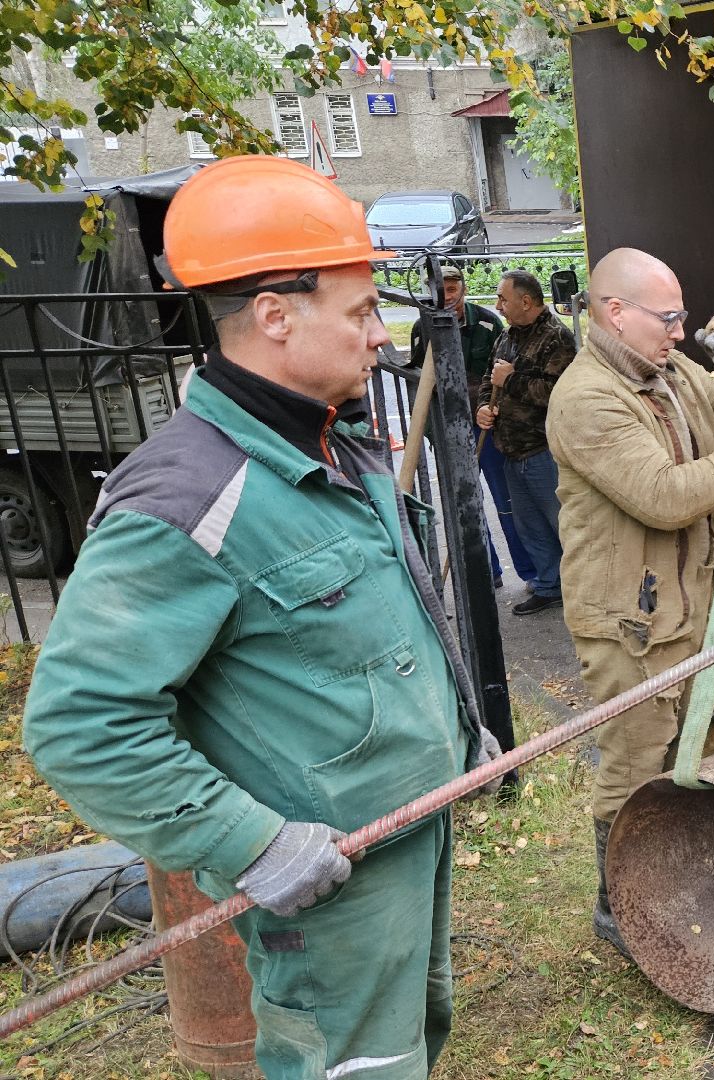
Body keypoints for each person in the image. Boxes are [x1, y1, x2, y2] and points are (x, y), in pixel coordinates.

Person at [22, 155, 498, 1078]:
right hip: (324, 882)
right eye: (361, 313)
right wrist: (251, 844)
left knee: (407, 1047)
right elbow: (81, 725)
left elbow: (375, 633)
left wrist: (456, 731)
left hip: (405, 837)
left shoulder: (329, 440)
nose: (379, 337)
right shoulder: (188, 497)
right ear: (276, 314)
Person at [546, 247, 714, 953]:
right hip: (630, 624)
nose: (679, 328)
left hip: (693, 608)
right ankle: (618, 912)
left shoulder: (668, 371)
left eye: (683, 316)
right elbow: (665, 497)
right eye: (668, 317)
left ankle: (680, 884)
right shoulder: (586, 399)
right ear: (614, 314)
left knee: (701, 751)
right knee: (636, 769)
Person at [408, 264, 534, 590]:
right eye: (440, 290)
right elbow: (423, 387)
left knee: (506, 503)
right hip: (449, 432)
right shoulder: (423, 328)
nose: (447, 297)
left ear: (462, 288)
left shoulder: (488, 323)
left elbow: (502, 378)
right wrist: (436, 434)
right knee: (465, 505)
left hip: (488, 428)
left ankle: (530, 573)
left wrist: (491, 415)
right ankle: (485, 571)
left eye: (452, 289)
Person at [477, 270, 578, 615]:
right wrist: (482, 408)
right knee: (530, 526)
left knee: (564, 524)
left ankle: (585, 590)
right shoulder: (507, 337)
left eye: (503, 299)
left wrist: (513, 380)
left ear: (526, 301)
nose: (498, 306)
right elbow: (490, 380)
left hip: (543, 450)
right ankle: (550, 586)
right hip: (511, 450)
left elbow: (559, 394)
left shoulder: (557, 339)